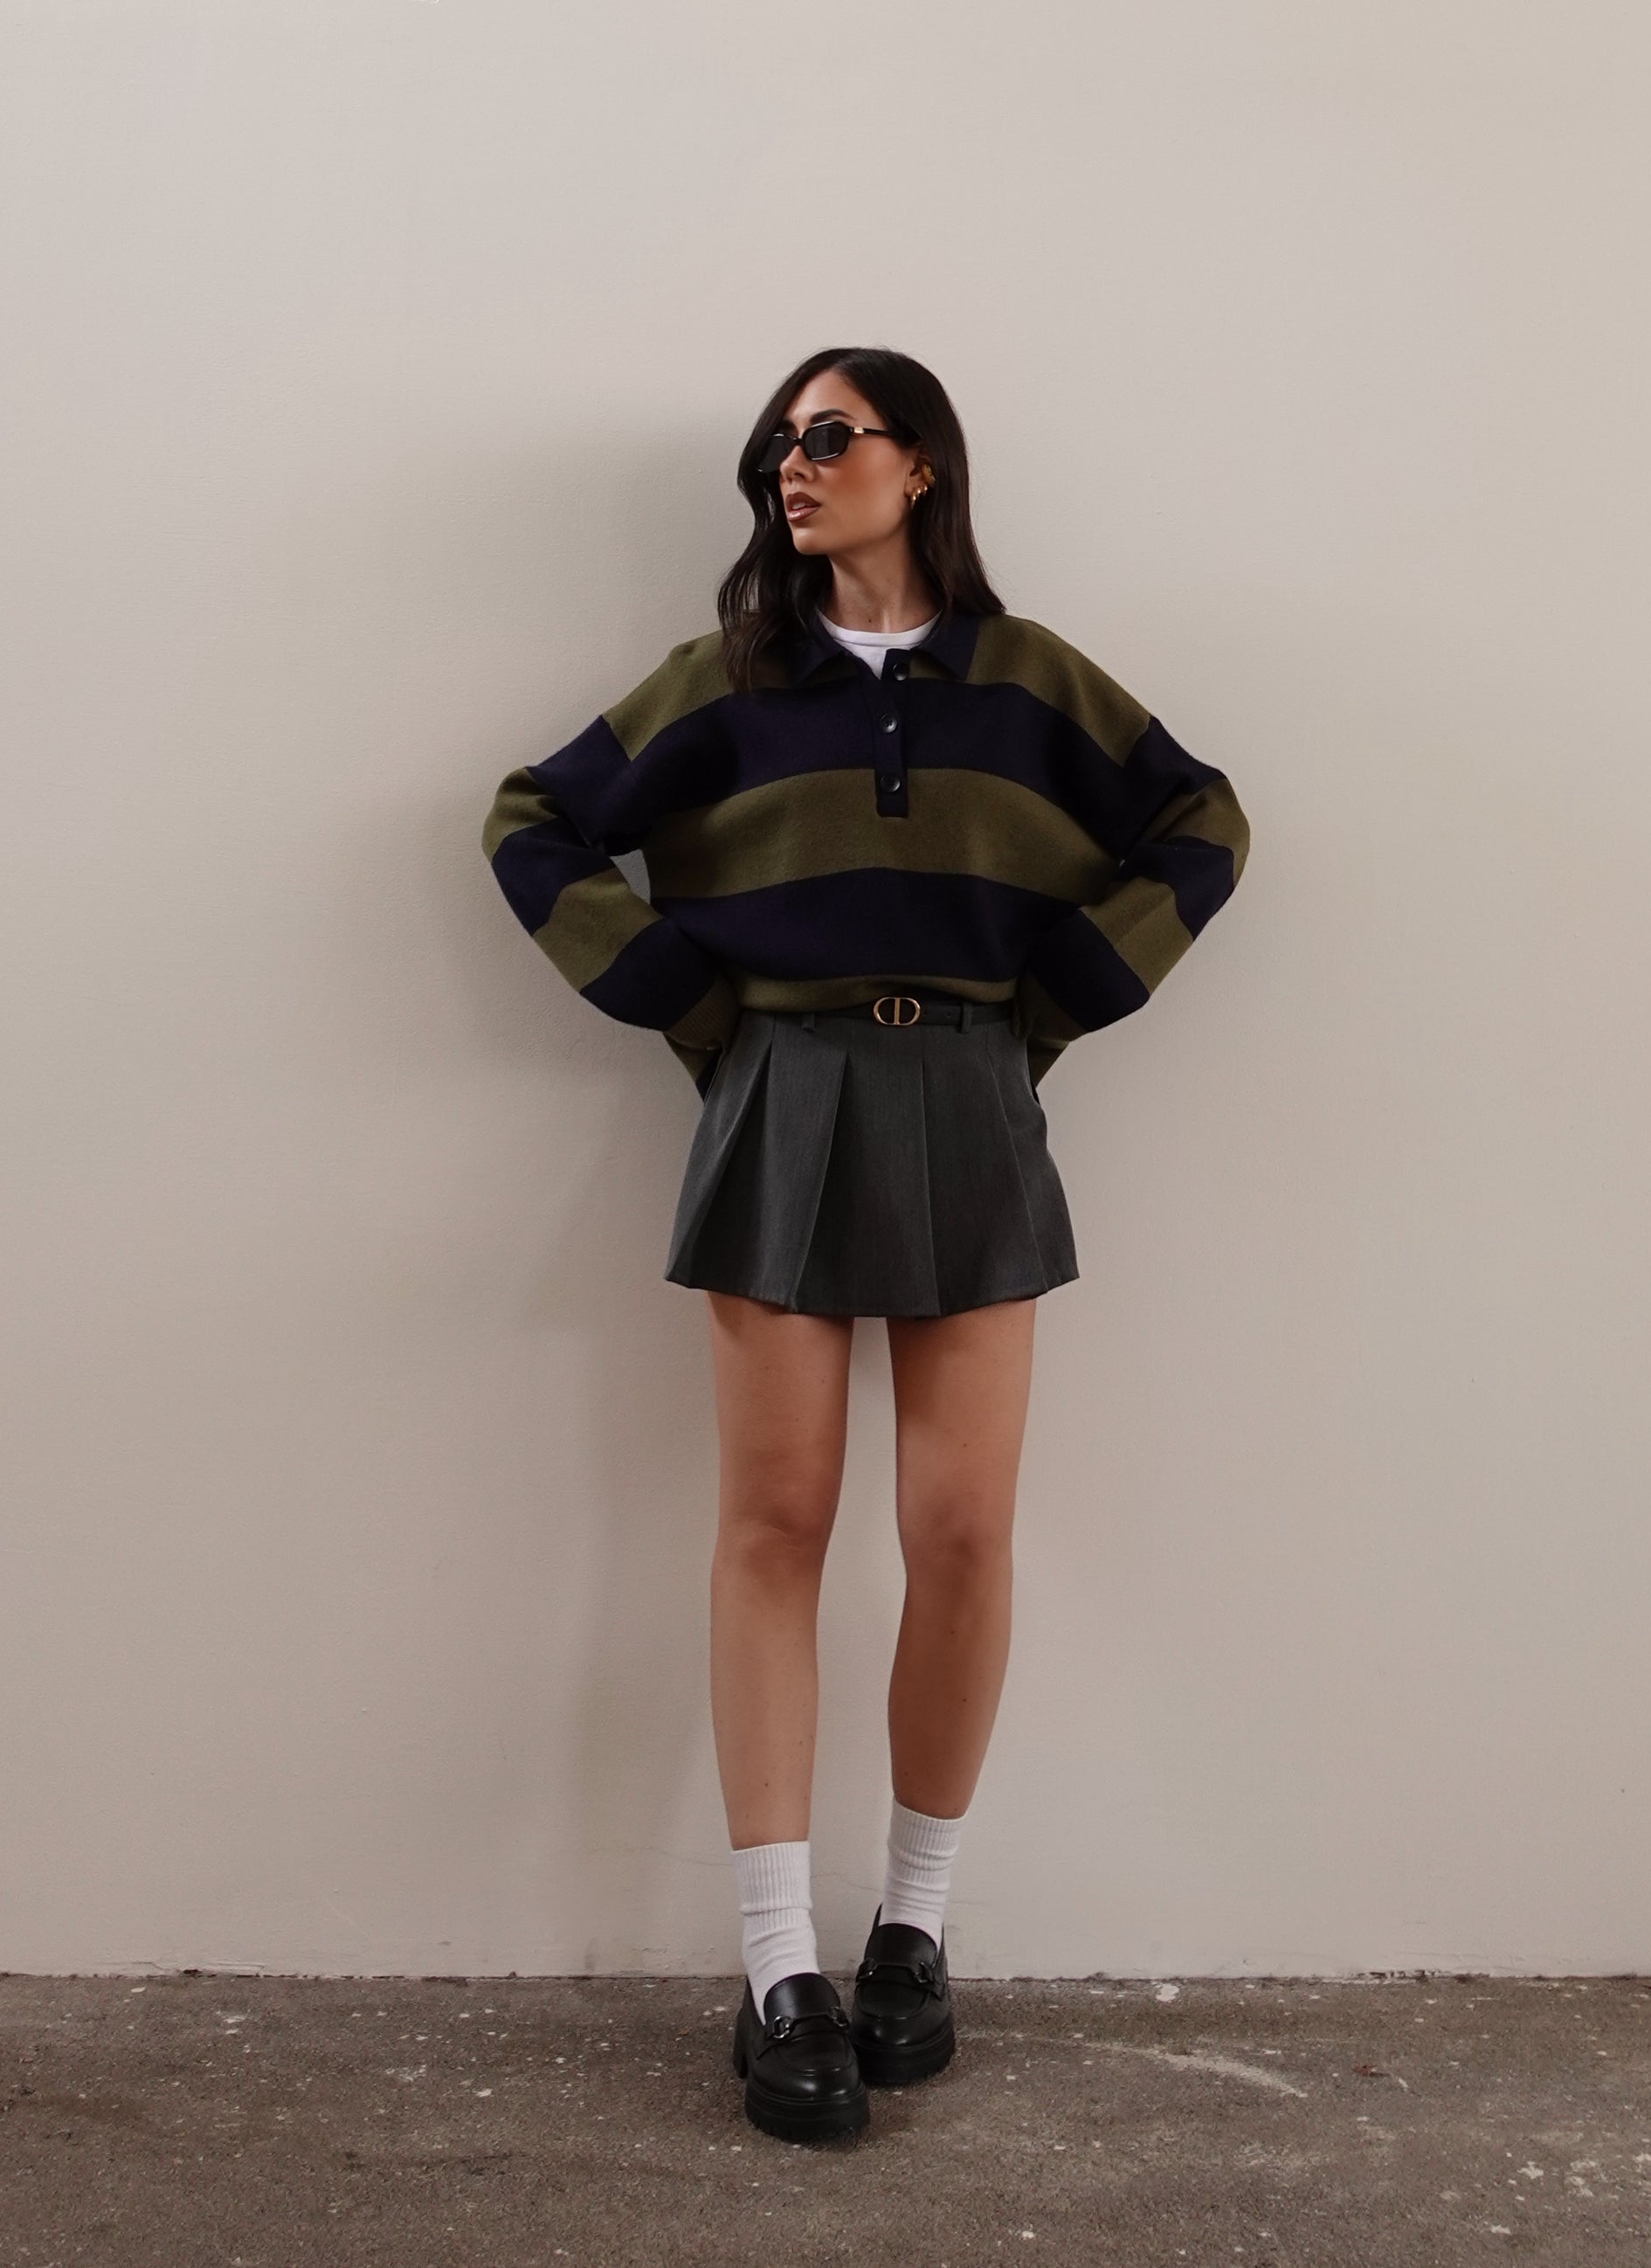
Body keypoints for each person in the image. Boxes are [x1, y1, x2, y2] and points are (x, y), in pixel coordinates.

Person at [481, 346, 1250, 2144]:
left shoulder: (1028, 678)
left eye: (830, 435)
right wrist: (691, 1003)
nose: (794, 464)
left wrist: (1057, 992)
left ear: (923, 466)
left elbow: (1198, 821)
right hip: (784, 1091)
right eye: (778, 442)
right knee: (775, 1523)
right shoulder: (728, 680)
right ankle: (777, 1965)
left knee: (962, 1529)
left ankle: (913, 1929)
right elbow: (533, 822)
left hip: (971, 1092)